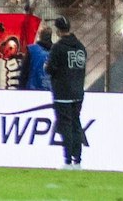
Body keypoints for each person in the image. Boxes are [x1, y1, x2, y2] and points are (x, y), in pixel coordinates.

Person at [49, 16, 88, 167]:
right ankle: (77, 160)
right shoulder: (80, 47)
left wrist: (49, 68)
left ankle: (67, 160)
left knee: (65, 125)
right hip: (78, 91)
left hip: (62, 91)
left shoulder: (58, 47)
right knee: (76, 124)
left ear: (58, 30)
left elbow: (51, 68)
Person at [25, 26, 53, 91]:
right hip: (51, 90)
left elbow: (25, 72)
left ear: (39, 36)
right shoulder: (56, 50)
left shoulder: (32, 50)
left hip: (33, 89)